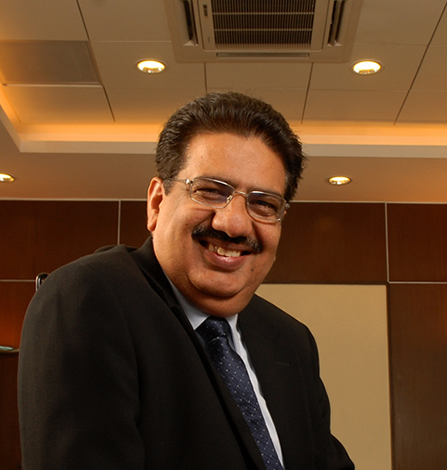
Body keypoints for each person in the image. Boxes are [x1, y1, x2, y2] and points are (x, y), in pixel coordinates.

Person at [18, 92, 354, 469]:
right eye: (210, 191)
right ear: (157, 203)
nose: (234, 223)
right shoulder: (87, 298)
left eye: (263, 203)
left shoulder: (291, 340)